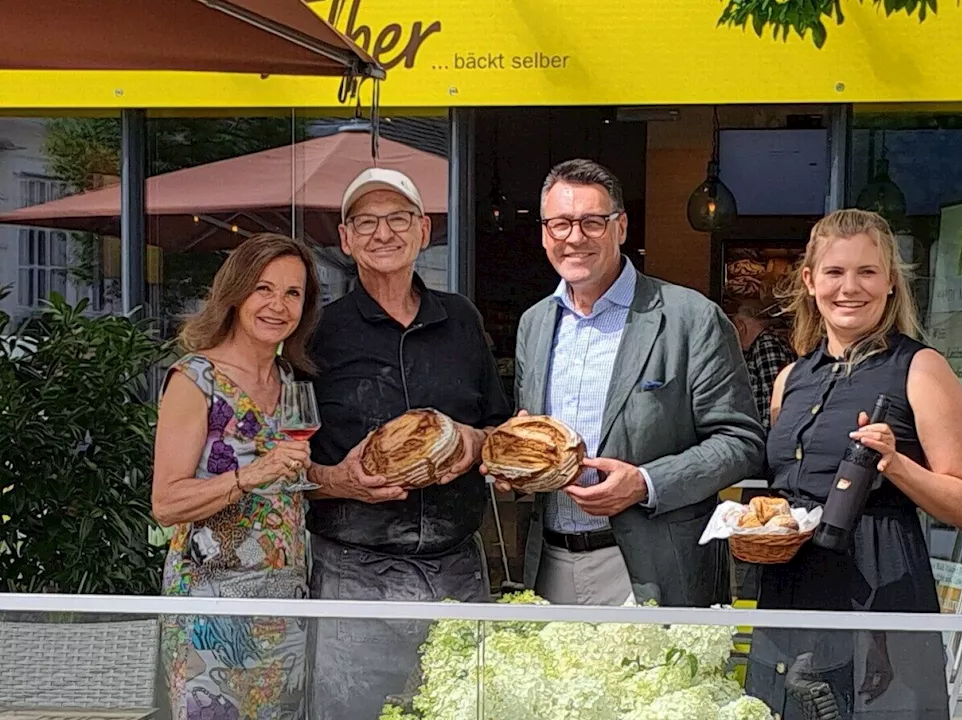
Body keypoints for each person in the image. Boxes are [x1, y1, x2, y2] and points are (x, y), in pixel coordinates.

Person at [743, 208, 962, 719]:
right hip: (791, 584)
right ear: (809, 282)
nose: (850, 288)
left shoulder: (921, 367)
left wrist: (895, 464)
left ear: (890, 283)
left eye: (867, 272)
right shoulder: (790, 378)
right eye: (834, 272)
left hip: (877, 589)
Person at [500, 158, 765, 607]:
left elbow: (741, 441)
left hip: (651, 568)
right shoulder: (535, 323)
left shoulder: (689, 318)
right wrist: (517, 467)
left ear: (621, 227)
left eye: (592, 222)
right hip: (551, 564)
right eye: (561, 223)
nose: (575, 237)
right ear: (545, 233)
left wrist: (645, 482)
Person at [302, 168, 512, 720]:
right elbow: (279, 457)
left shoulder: (461, 319)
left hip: (457, 570)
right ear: (345, 239)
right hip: (354, 572)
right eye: (366, 221)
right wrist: (336, 480)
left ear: (423, 230)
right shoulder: (316, 331)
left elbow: (499, 428)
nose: (383, 233)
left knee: (461, 710)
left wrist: (474, 441)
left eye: (397, 218)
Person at [151, 232, 322, 720]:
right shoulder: (194, 379)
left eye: (293, 293)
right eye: (263, 289)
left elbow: (294, 480)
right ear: (235, 292)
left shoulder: (289, 381)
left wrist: (344, 477)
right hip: (212, 613)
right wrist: (251, 476)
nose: (278, 305)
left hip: (286, 605)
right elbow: (166, 503)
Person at [732, 297, 796, 432]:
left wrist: (766, 438)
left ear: (741, 325)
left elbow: (772, 398)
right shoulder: (764, 343)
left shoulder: (766, 344)